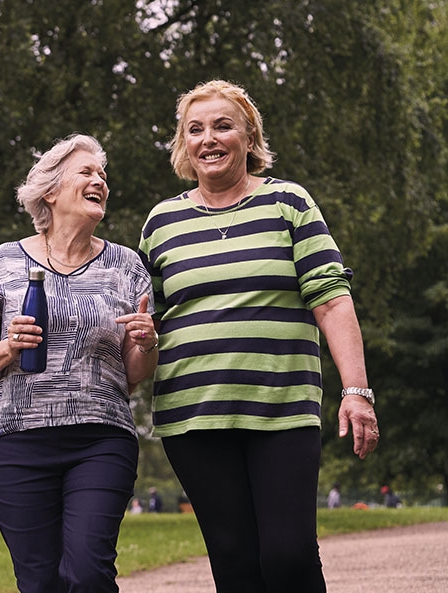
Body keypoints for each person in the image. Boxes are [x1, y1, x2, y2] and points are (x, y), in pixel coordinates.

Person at [137, 80, 379, 592]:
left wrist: (356, 391)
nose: (209, 139)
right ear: (183, 145)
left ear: (249, 138)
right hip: (193, 414)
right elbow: (148, 322)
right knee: (233, 559)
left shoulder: (288, 202)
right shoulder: (161, 223)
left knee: (287, 555)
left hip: (282, 407)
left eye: (223, 126)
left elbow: (331, 296)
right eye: (195, 130)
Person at [0, 133, 158, 593]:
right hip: (15, 443)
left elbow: (131, 376)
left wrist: (146, 343)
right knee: (39, 580)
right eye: (86, 172)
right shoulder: (4, 261)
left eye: (103, 175)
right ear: (50, 191)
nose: (100, 181)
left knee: (88, 572)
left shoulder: (126, 265)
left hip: (101, 438)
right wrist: (9, 348)